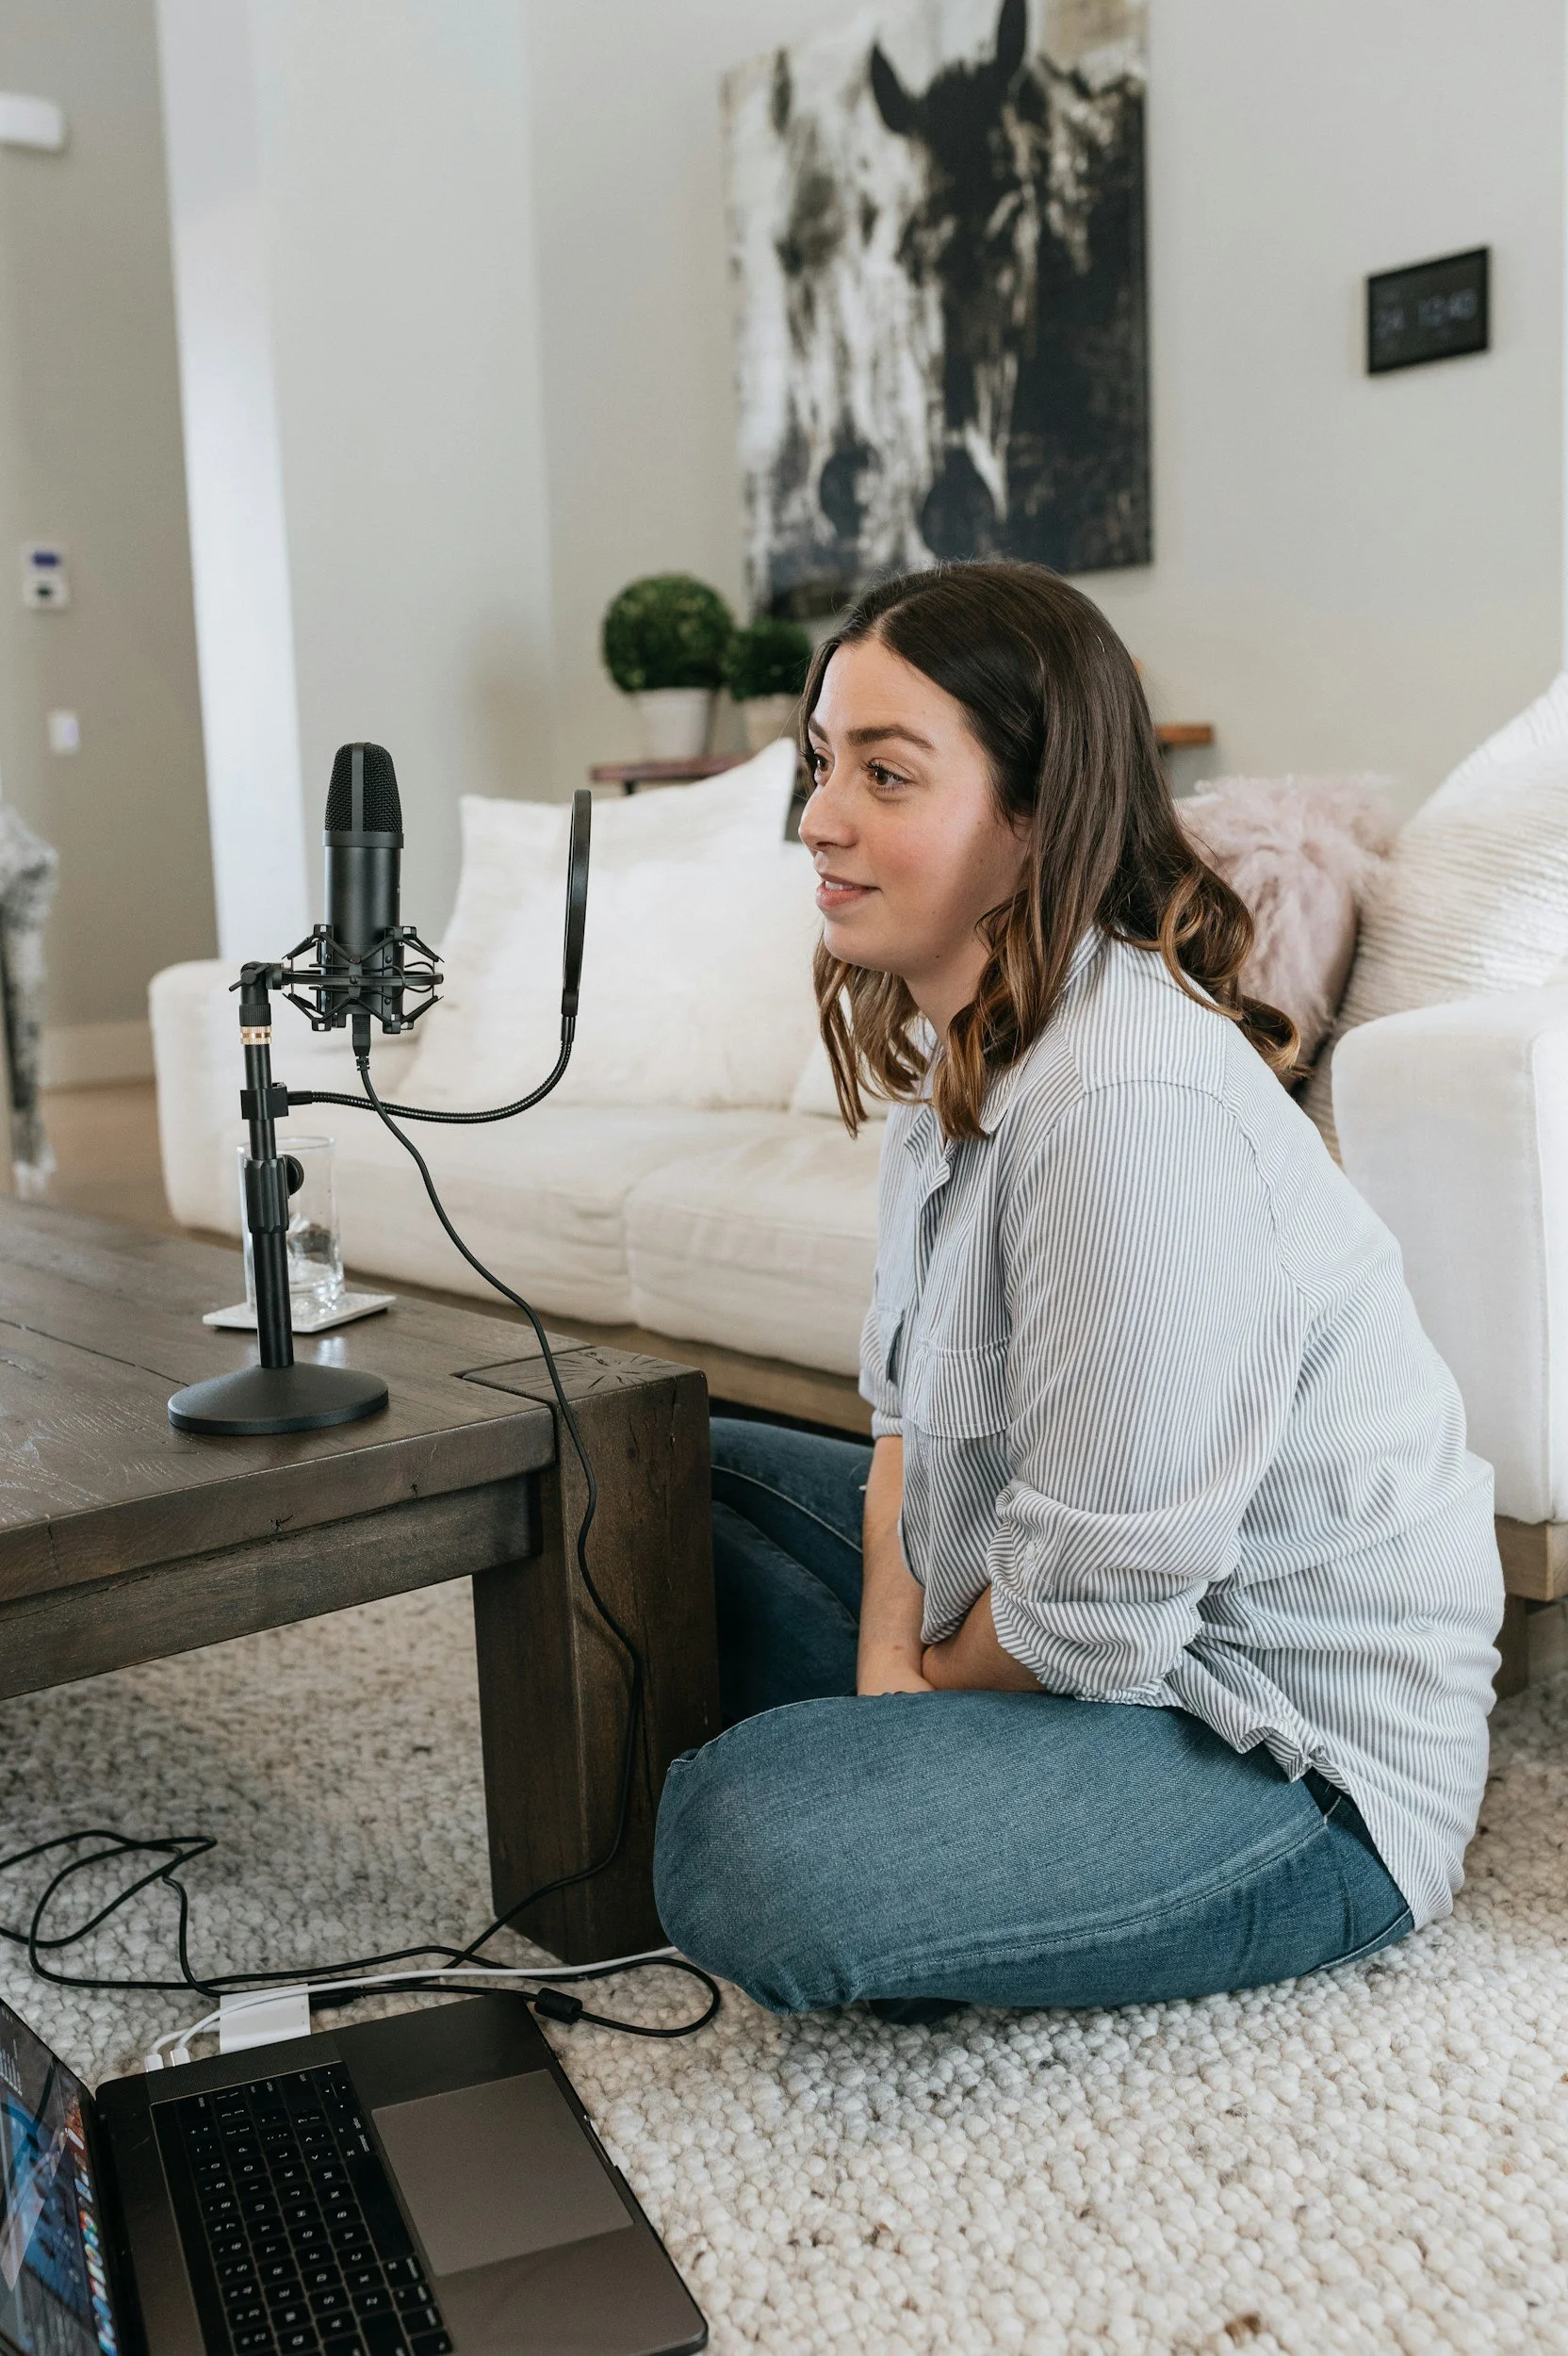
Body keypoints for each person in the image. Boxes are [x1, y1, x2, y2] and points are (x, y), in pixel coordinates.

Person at [652, 561, 1503, 2021]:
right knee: (652, 1471)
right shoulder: (968, 1066)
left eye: (886, 775)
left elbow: (1098, 1612)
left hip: (1278, 1756)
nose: (816, 819)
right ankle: (918, 1813)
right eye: (819, 765)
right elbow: (905, 1430)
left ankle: (899, 1838)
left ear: (1033, 817)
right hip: (1080, 1645)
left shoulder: (1129, 1100)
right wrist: (892, 1694)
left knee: (745, 1847)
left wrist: (904, 1724)